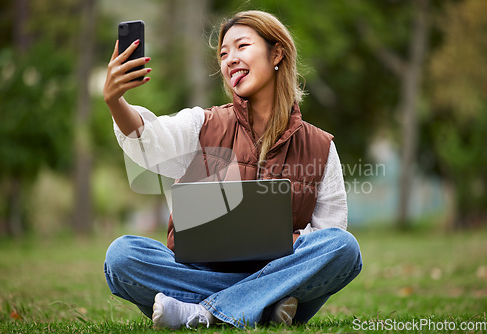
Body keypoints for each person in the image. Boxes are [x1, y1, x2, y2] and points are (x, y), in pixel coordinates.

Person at [103, 10, 362, 330]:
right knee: (123, 255)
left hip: (281, 275)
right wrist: (116, 101)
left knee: (343, 248)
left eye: (242, 46)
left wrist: (289, 245)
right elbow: (150, 140)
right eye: (224, 54)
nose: (230, 59)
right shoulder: (203, 124)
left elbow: (329, 233)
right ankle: (261, 310)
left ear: (277, 53)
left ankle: (200, 312)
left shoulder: (320, 146)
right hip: (210, 275)